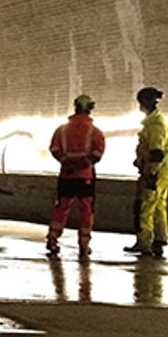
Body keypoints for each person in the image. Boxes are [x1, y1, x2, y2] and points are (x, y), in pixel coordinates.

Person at [46, 93, 105, 255]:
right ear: (90, 110)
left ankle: (52, 239)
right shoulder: (95, 132)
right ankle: (84, 245)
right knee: (86, 210)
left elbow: (54, 149)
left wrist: (67, 163)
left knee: (61, 207)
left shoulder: (62, 130)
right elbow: (97, 153)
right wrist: (82, 165)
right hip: (85, 177)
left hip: (66, 176)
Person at [126, 85, 168, 258]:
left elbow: (156, 152)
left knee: (145, 206)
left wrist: (150, 172)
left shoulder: (155, 125)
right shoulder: (156, 122)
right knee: (159, 205)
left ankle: (144, 242)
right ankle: (159, 239)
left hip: (154, 172)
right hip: (162, 171)